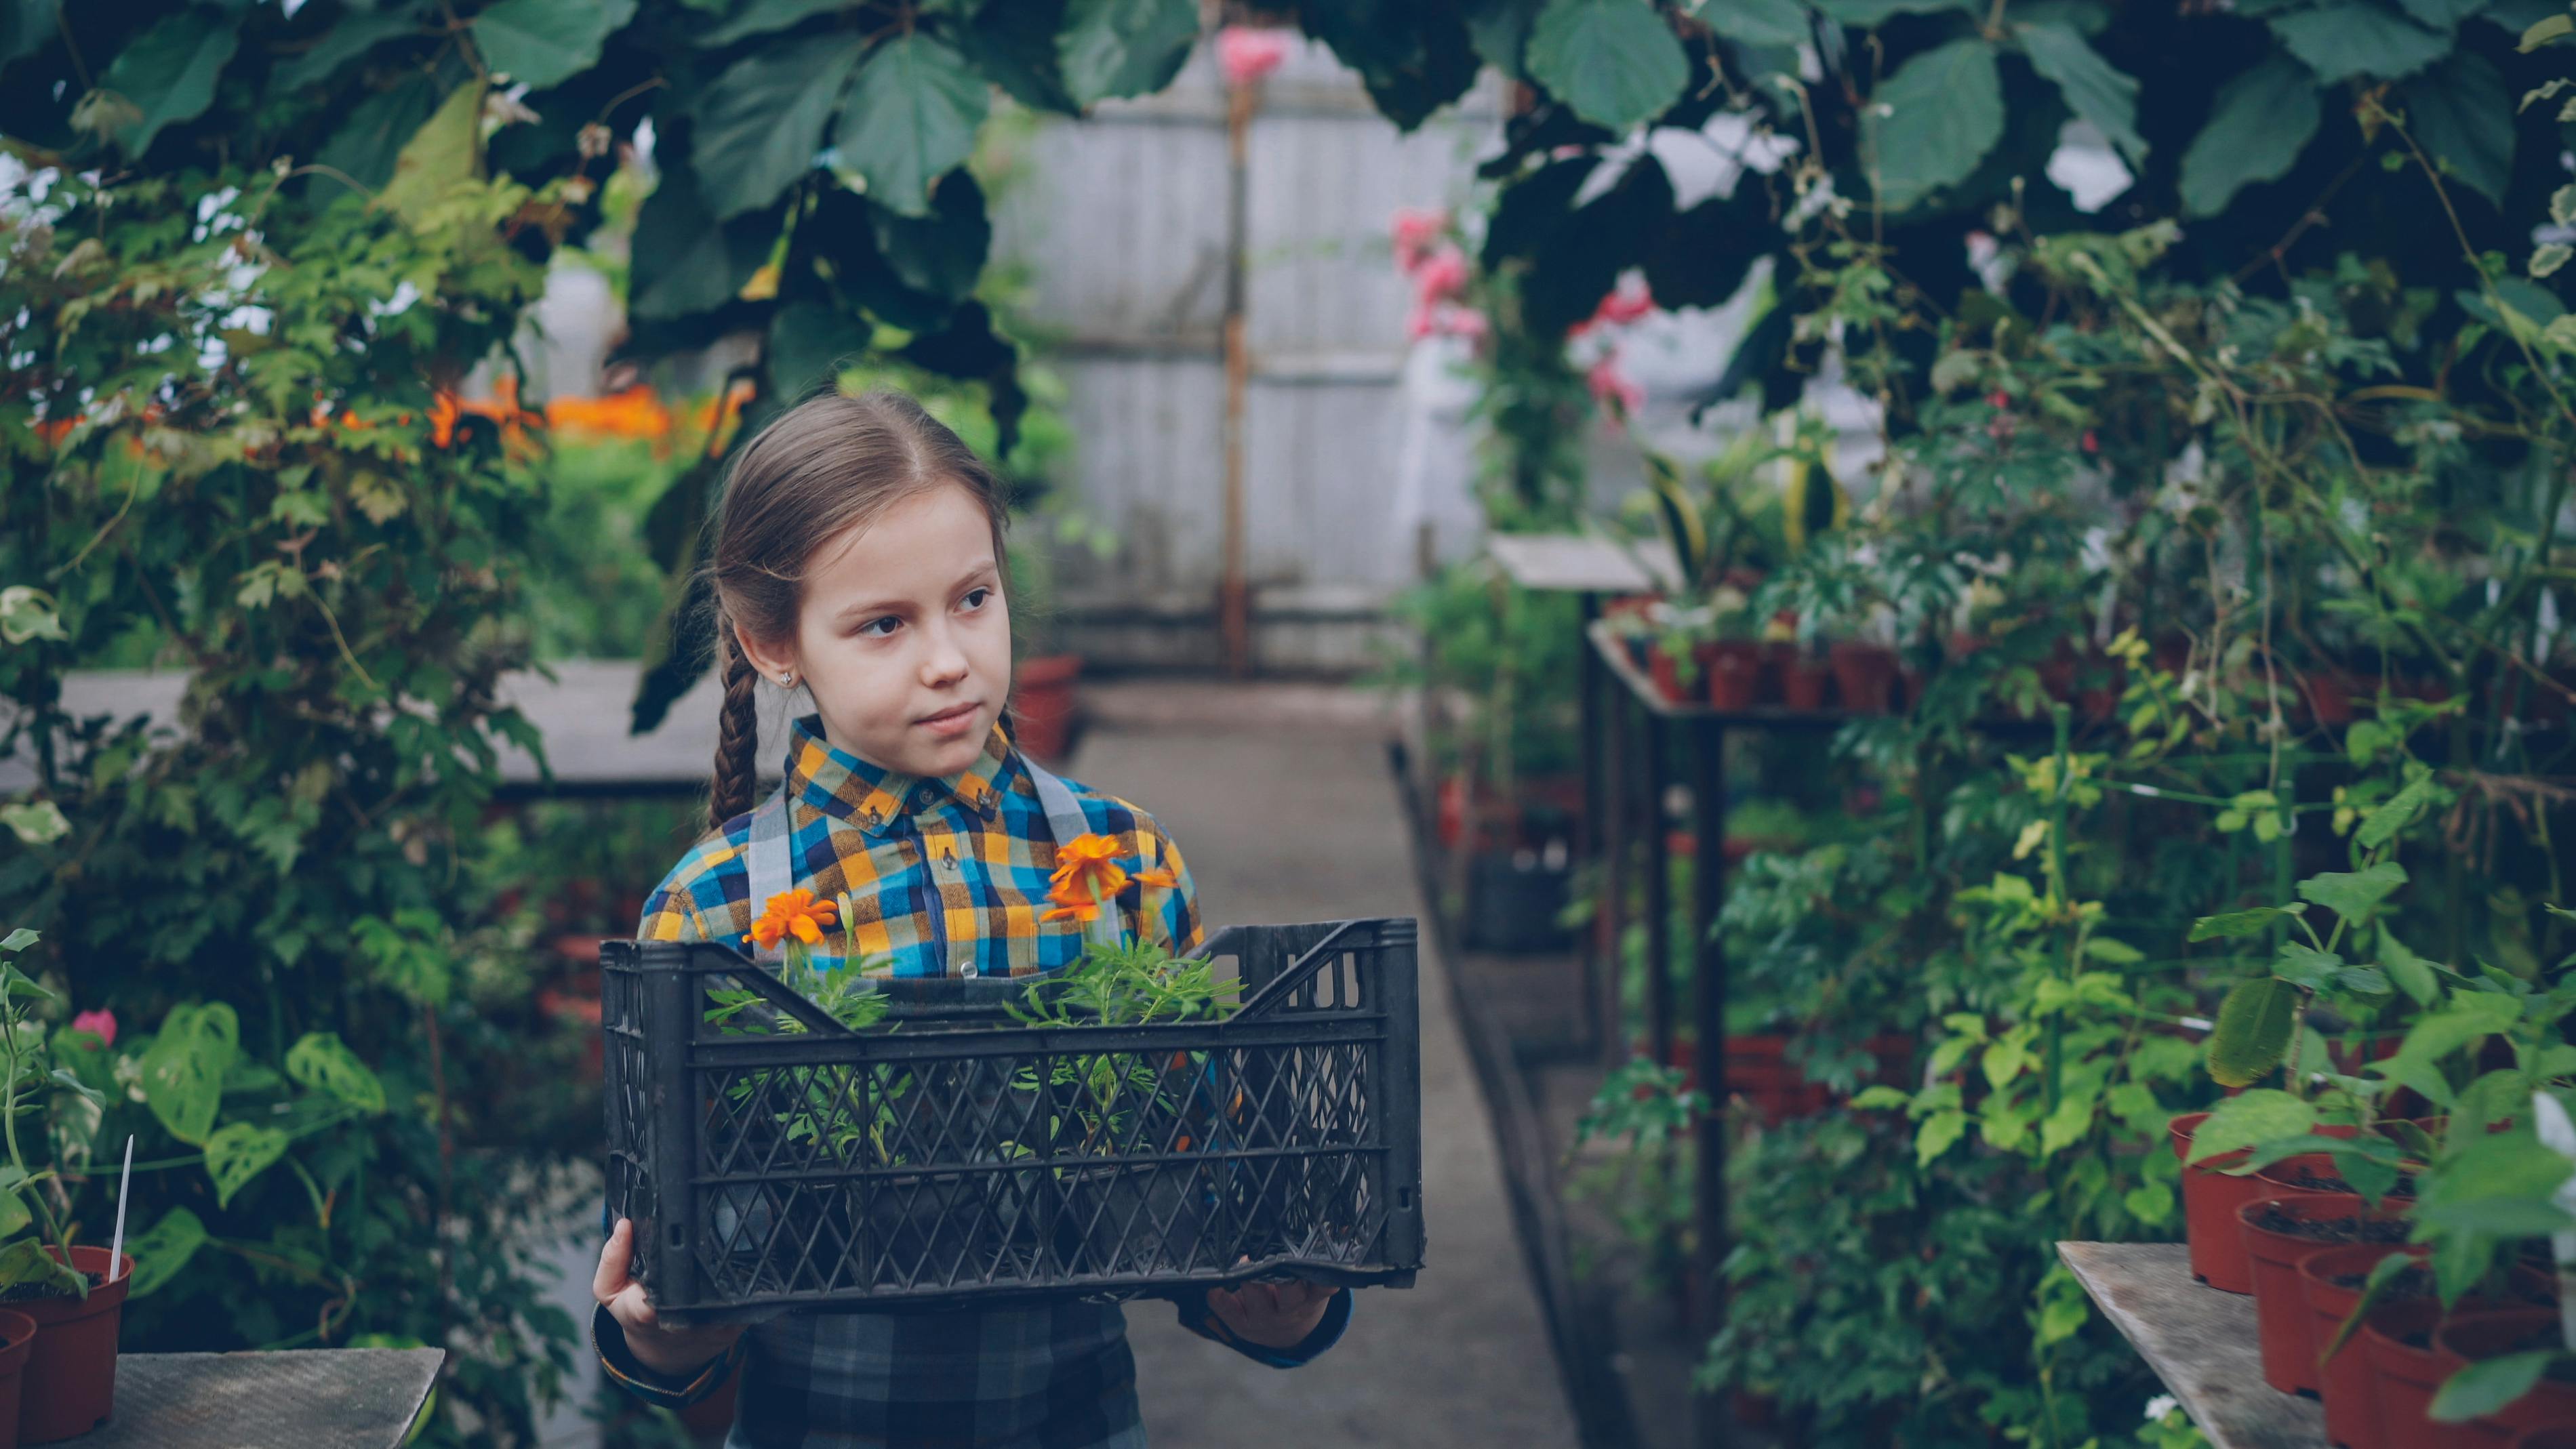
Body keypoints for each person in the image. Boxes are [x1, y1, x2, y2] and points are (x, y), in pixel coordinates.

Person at [590, 390, 1350, 1447]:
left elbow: (1191, 1194)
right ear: (773, 637)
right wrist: (664, 1339)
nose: (946, 658)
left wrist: (1273, 1299)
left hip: (1071, 1420)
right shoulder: (713, 906)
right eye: (885, 623)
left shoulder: (1123, 861)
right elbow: (668, 1272)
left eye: (973, 600)